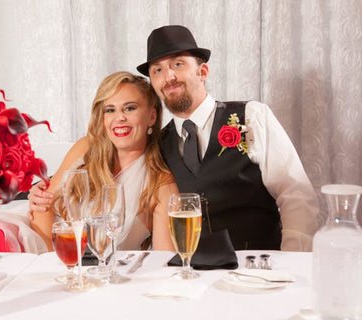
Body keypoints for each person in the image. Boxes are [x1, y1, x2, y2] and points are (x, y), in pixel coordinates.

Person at [136, 25, 318, 251]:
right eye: (157, 70)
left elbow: (296, 194)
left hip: (256, 271)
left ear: (202, 72)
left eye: (177, 64)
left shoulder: (251, 116)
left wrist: (291, 262)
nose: (168, 77)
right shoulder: (158, 145)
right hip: (191, 275)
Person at [28, 71, 178, 251]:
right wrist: (64, 266)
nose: (119, 118)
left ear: (152, 117)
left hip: (111, 275)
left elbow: (163, 262)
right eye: (110, 110)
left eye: (130, 108)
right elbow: (41, 208)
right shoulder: (85, 149)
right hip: (47, 257)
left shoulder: (161, 185)